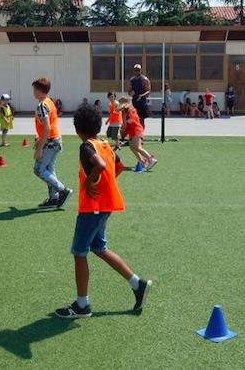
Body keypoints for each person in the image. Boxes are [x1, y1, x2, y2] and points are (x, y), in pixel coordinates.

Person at [54, 105, 152, 319]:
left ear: (77, 129)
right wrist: (105, 184)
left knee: (79, 253)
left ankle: (82, 305)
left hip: (92, 208)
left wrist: (90, 182)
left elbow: (98, 165)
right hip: (105, 206)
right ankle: (137, 283)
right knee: (99, 248)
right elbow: (118, 167)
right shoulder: (104, 144)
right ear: (98, 126)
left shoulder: (86, 147)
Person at [32, 77, 73, 208]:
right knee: (49, 170)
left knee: (39, 170)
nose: (33, 92)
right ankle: (54, 198)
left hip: (50, 142)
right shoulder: (49, 101)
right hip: (55, 140)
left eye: (34, 89)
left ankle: (63, 191)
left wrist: (39, 147)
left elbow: (47, 128)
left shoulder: (42, 105)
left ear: (39, 90)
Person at [118, 97, 157, 170]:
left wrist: (122, 131)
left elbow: (125, 125)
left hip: (136, 130)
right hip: (134, 130)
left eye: (120, 103)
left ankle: (150, 159)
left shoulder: (125, 112)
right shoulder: (132, 109)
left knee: (137, 147)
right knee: (132, 147)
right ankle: (142, 161)